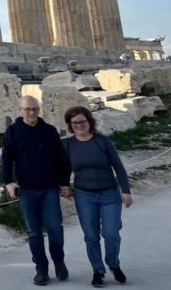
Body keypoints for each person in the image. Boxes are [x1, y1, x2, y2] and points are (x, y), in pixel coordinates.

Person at [2, 95, 71, 286]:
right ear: (20, 109)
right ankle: (41, 269)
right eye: (27, 109)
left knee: (55, 228)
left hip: (49, 187)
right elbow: (7, 158)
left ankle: (59, 262)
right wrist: (8, 181)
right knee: (33, 232)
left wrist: (64, 183)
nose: (31, 112)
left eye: (34, 109)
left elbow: (60, 159)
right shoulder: (13, 131)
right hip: (27, 189)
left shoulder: (49, 131)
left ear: (39, 110)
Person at [62, 106, 132, 287]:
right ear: (70, 125)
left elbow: (118, 166)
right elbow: (64, 169)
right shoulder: (68, 144)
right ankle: (98, 270)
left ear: (89, 121)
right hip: (84, 195)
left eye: (82, 121)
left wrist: (126, 191)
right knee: (91, 236)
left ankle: (114, 264)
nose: (79, 125)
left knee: (111, 233)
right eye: (75, 122)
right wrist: (63, 186)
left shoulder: (102, 141)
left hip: (109, 193)